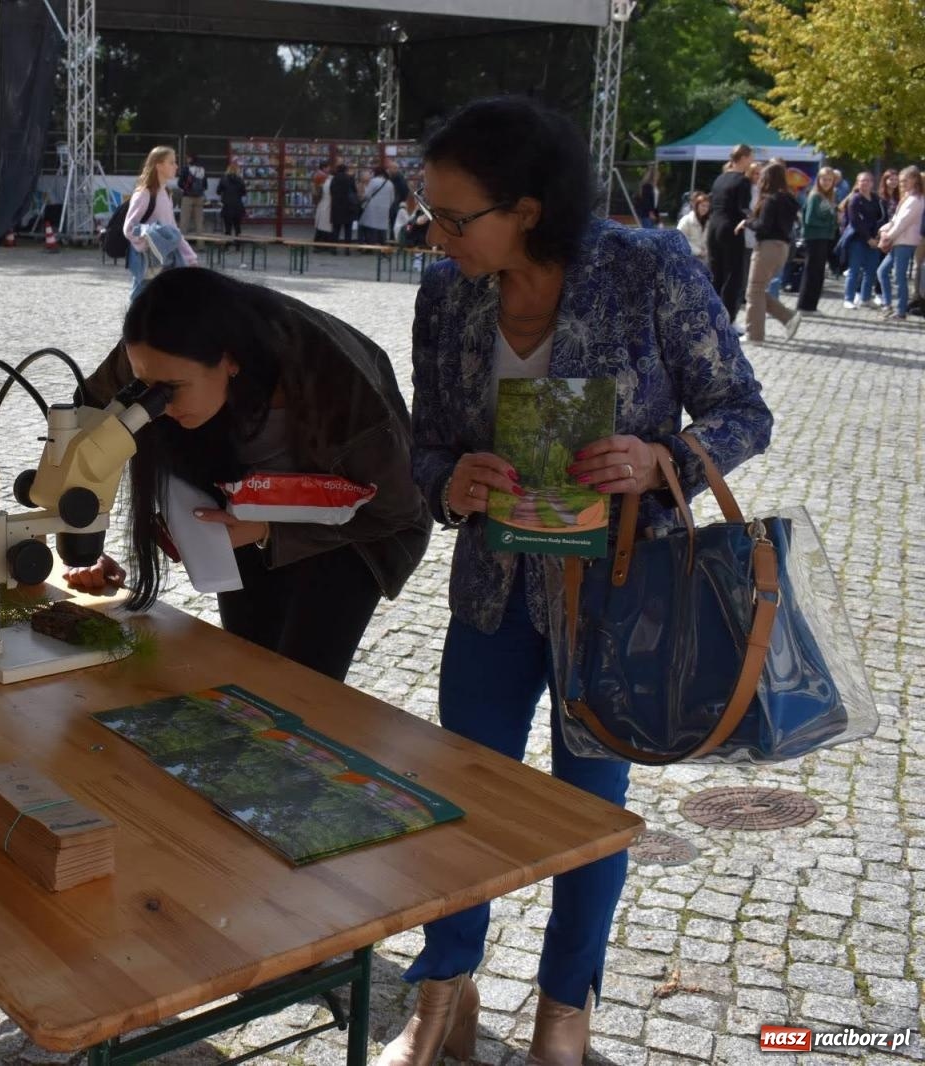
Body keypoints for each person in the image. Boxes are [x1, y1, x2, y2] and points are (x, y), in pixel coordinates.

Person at [389, 96, 771, 1066]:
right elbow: (424, 442)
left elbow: (740, 411)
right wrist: (449, 480)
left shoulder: (649, 270)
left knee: (589, 814)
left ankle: (565, 1015)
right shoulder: (448, 293)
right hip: (491, 594)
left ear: (526, 207)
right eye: (429, 214)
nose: (434, 235)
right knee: (458, 800)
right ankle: (442, 998)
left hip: (615, 600)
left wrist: (661, 460)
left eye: (452, 216)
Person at [64, 268, 431, 683]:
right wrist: (86, 534)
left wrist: (268, 530)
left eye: (171, 389)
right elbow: (86, 431)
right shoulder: (156, 352)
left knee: (302, 686)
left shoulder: (334, 379)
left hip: (353, 533)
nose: (158, 405)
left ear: (230, 360)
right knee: (246, 670)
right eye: (144, 386)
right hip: (240, 517)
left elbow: (397, 506)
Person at [737, 162, 802, 341]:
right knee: (757, 290)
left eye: (762, 177)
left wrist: (747, 222)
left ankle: (754, 334)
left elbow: (763, 226)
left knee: (754, 290)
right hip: (782, 248)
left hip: (767, 247)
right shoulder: (789, 199)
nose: (759, 180)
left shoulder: (771, 200)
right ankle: (788, 317)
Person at [124, 146, 197, 303]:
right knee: (139, 300)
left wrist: (189, 256)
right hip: (147, 261)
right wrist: (148, 245)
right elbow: (129, 228)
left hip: (167, 259)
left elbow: (173, 230)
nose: (176, 166)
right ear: (158, 165)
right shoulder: (143, 193)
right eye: (171, 162)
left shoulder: (166, 193)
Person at [706, 144, 755, 322]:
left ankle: (710, 315)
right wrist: (754, 218)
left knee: (716, 273)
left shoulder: (720, 178)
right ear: (743, 158)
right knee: (733, 275)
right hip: (731, 229)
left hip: (714, 228)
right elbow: (743, 208)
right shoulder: (742, 180)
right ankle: (727, 320)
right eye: (751, 157)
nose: (752, 161)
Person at [876, 165, 922, 320]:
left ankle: (901, 310)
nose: (901, 184)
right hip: (897, 240)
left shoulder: (916, 199)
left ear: (915, 180)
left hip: (905, 241)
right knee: (882, 271)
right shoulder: (908, 197)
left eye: (904, 180)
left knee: (899, 276)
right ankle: (887, 304)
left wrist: (887, 238)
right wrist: (883, 231)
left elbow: (903, 223)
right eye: (901, 181)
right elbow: (895, 220)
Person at [796, 166, 839, 313]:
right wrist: (829, 224)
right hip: (814, 238)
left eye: (829, 179)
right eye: (824, 179)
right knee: (812, 272)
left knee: (819, 273)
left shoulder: (828, 197)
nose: (826, 182)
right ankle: (804, 305)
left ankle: (812, 305)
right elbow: (809, 220)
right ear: (818, 180)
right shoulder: (815, 196)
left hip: (824, 238)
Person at [840, 172, 886, 309]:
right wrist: (868, 239)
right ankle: (848, 298)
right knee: (854, 270)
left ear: (872, 183)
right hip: (858, 240)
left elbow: (883, 217)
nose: (864, 183)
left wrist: (877, 237)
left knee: (871, 270)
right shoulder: (854, 199)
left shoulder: (877, 199)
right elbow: (855, 222)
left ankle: (865, 298)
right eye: (861, 181)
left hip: (874, 240)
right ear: (857, 183)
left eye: (867, 181)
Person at [359, 165, 397, 245]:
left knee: (370, 227)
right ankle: (382, 244)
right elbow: (392, 198)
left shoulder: (373, 181)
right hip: (385, 209)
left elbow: (367, 195)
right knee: (382, 228)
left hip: (372, 208)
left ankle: (371, 245)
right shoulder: (390, 183)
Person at [177, 153, 207, 236]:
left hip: (187, 197)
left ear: (191, 159)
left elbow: (179, 184)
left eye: (188, 158)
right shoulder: (202, 170)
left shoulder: (186, 169)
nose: (187, 160)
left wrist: (187, 189)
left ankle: (182, 245)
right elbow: (205, 186)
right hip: (199, 197)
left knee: (184, 221)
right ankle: (200, 245)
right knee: (199, 221)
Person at [329, 163, 359, 244]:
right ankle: (347, 248)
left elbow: (331, 191)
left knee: (336, 228)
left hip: (337, 207)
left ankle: (334, 248)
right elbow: (354, 191)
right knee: (348, 229)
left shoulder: (334, 179)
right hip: (348, 207)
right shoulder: (350, 178)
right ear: (346, 170)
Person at [675, 191, 709, 259]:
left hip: (704, 258)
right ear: (696, 206)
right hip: (687, 258)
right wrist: (698, 251)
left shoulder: (708, 222)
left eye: (707, 206)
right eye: (703, 205)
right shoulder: (686, 220)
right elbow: (679, 240)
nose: (705, 208)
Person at [215, 163, 246, 237]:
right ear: (237, 170)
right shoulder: (240, 180)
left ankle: (227, 244)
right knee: (237, 227)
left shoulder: (223, 179)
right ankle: (238, 245)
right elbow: (244, 193)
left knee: (227, 227)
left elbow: (218, 191)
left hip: (227, 205)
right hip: (238, 205)